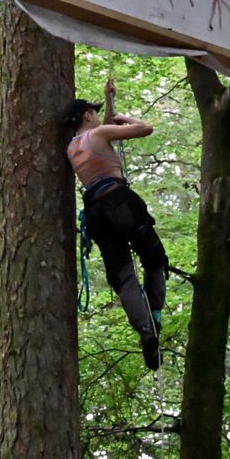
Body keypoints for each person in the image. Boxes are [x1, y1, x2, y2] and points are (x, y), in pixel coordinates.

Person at [65, 79, 166, 371]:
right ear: (87, 116)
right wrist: (125, 119)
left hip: (96, 212)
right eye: (94, 112)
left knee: (124, 277)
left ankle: (145, 330)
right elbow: (145, 128)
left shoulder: (72, 147)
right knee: (154, 260)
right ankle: (156, 318)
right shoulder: (101, 133)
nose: (98, 116)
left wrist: (109, 102)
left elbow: (103, 129)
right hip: (120, 201)